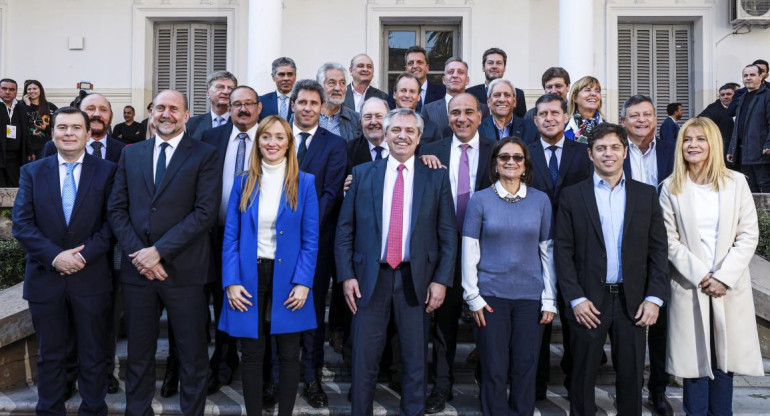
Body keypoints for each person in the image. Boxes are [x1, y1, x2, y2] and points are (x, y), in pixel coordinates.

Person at [336, 107, 457, 416]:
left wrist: (441, 280)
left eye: (410, 131)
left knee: (415, 359)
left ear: (419, 139)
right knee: (364, 358)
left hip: (415, 279)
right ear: (385, 135)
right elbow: (345, 229)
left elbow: (447, 235)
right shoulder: (362, 175)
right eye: (396, 130)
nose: (402, 136)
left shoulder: (436, 177)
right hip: (368, 279)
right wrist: (347, 275)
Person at [108, 89, 220, 416]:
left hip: (185, 271)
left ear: (187, 115)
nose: (166, 114)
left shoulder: (205, 154)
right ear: (151, 113)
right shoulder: (132, 154)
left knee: (192, 355)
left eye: (174, 108)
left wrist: (157, 252)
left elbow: (204, 212)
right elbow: (117, 209)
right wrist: (140, 255)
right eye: (160, 108)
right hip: (137, 272)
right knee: (138, 356)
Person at [555, 123, 668, 416]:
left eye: (615, 147)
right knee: (581, 377)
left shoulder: (646, 195)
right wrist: (575, 299)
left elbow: (658, 250)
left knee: (631, 378)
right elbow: (563, 253)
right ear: (590, 154)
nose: (609, 154)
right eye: (601, 148)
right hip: (588, 302)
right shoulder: (571, 196)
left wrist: (654, 298)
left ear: (625, 152)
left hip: (634, 302)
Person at [12, 107, 116, 416]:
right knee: (51, 355)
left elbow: (113, 224)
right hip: (46, 278)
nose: (68, 133)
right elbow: (22, 224)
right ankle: (49, 410)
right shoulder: (32, 172)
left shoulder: (108, 170)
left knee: (94, 354)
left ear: (88, 133)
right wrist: (55, 256)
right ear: (53, 133)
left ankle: (93, 409)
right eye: (62, 127)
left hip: (91, 276)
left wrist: (82, 255)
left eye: (75, 127)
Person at [659, 117, 764, 416]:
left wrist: (723, 277)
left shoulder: (736, 183)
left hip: (728, 287)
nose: (693, 145)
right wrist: (702, 275)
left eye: (700, 139)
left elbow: (748, 234)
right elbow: (669, 240)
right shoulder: (670, 188)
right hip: (690, 285)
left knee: (724, 360)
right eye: (688, 139)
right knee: (694, 362)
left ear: (713, 144)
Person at [218, 115, 319, 416]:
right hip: (249, 276)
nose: (272, 143)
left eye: (279, 137)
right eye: (266, 137)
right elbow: (231, 238)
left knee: (289, 354)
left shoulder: (305, 183)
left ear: (289, 143)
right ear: (258, 141)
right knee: (251, 353)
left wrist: (303, 282)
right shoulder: (242, 181)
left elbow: (311, 239)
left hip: (288, 278)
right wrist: (231, 281)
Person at [462, 136, 555, 416]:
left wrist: (550, 298)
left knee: (526, 365)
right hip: (491, 297)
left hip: (530, 297)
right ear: (495, 164)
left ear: (526, 165)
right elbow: (470, 249)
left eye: (517, 158)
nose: (511, 162)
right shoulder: (479, 200)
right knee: (493, 365)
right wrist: (473, 296)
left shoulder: (541, 201)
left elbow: (547, 251)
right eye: (504, 157)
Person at [419, 92, 494, 414]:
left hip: (488, 252)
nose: (461, 118)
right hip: (445, 250)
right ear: (447, 118)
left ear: (480, 116)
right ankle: (442, 383)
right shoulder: (430, 151)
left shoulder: (498, 151)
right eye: (455, 113)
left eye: (468, 112)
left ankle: (487, 383)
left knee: (487, 323)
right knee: (444, 324)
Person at [527, 93, 592, 400]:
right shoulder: (523, 154)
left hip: (576, 249)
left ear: (566, 117)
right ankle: (537, 385)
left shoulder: (584, 154)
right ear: (535, 120)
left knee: (573, 319)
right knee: (538, 318)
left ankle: (573, 383)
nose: (549, 118)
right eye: (543, 114)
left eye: (555, 113)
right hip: (533, 250)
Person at [200, 86, 264, 395]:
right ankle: (222, 362)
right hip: (215, 231)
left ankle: (255, 366)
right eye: (236, 104)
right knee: (220, 296)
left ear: (259, 107)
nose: (242, 109)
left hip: (257, 237)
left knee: (251, 298)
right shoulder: (211, 138)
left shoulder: (271, 138)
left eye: (248, 104)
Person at [289, 79, 347, 408]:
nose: (308, 108)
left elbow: (331, 193)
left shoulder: (335, 145)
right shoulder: (276, 138)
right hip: (275, 245)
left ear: (322, 108)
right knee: (276, 311)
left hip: (316, 242)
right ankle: (277, 377)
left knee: (311, 313)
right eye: (303, 102)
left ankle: (311, 376)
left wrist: (303, 229)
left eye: (314, 103)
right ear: (293, 105)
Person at [619, 94, 676, 415]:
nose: (641, 120)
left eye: (647, 115)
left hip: (663, 247)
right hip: (623, 246)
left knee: (660, 326)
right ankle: (628, 388)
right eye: (634, 116)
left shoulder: (671, 151)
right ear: (623, 120)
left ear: (655, 119)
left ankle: (658, 390)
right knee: (628, 326)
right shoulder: (616, 151)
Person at [43, 93, 126, 164]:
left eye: (103, 110)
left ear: (111, 116)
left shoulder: (124, 150)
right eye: (90, 109)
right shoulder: (54, 147)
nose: (96, 114)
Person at [727, 64, 770, 193]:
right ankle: (756, 214)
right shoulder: (741, 98)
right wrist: (731, 149)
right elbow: (737, 127)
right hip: (743, 152)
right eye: (745, 75)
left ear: (761, 76)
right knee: (749, 188)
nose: (748, 78)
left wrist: (768, 144)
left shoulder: (767, 96)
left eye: (752, 75)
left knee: (765, 185)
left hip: (761, 151)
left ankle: (766, 214)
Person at [422, 58, 487, 138]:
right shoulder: (428, 110)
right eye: (450, 72)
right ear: (444, 80)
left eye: (460, 72)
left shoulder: (482, 109)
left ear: (467, 80)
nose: (455, 75)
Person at [466, 47, 527, 117]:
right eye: (490, 63)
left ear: (504, 68)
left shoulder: (518, 94)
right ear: (483, 67)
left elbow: (521, 124)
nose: (494, 66)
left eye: (499, 63)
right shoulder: (470, 93)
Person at [317, 62, 362, 141]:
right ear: (319, 86)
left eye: (342, 83)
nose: (338, 88)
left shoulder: (357, 120)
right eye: (331, 83)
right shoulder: (308, 116)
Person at [390, 72, 441, 143]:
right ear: (394, 94)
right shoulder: (383, 123)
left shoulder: (431, 129)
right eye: (403, 90)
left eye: (412, 91)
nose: (407, 95)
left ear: (419, 97)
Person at [186, 71, 237, 138]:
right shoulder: (191, 124)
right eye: (220, 87)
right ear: (208, 92)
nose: (226, 92)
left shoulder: (241, 123)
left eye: (230, 88)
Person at [698, 83, 738, 164]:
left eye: (729, 94)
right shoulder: (712, 110)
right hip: (721, 151)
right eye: (722, 95)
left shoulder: (741, 107)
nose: (725, 97)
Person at [0, 78, 29, 186]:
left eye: (11, 89)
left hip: (16, 157)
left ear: (16, 91)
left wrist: (29, 151)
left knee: (14, 188)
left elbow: (25, 131)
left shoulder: (20, 108)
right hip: (1, 154)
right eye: (4, 88)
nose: (8, 92)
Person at [21, 80, 58, 159]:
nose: (32, 91)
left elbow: (58, 125)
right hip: (27, 146)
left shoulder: (50, 107)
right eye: (29, 89)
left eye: (35, 88)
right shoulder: (20, 106)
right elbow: (23, 122)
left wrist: (46, 128)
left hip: (44, 146)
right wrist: (28, 106)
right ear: (25, 91)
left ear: (40, 90)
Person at [404, 45, 445, 112]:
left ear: (427, 68)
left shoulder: (442, 93)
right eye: (410, 63)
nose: (415, 66)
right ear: (406, 69)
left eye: (419, 62)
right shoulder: (396, 96)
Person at [564, 76, 604, 144]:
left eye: (597, 91)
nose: (593, 94)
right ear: (575, 97)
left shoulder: (609, 129)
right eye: (587, 90)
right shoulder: (562, 129)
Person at [259, 57, 297, 121]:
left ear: (295, 76)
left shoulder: (301, 101)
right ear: (273, 77)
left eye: (290, 74)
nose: (286, 78)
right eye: (281, 74)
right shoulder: (262, 101)